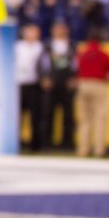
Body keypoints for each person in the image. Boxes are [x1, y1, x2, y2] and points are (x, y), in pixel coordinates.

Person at [74, 30, 109, 157]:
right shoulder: (104, 55)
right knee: (100, 119)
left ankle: (83, 150)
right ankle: (99, 150)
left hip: (83, 84)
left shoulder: (82, 54)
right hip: (99, 84)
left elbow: (76, 69)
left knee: (84, 119)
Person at [41, 22, 78, 150]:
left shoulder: (71, 45)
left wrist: (74, 77)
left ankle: (67, 143)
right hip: (51, 82)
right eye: (57, 28)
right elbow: (42, 62)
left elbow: (75, 62)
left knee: (68, 115)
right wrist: (44, 77)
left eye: (62, 28)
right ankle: (46, 142)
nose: (59, 31)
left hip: (67, 83)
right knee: (48, 114)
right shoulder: (47, 45)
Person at [15, 24, 48, 151]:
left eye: (35, 32)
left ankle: (35, 144)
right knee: (17, 116)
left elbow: (45, 66)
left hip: (34, 84)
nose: (33, 35)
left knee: (36, 116)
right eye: (30, 32)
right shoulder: (17, 46)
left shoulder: (41, 47)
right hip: (19, 84)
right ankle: (16, 142)